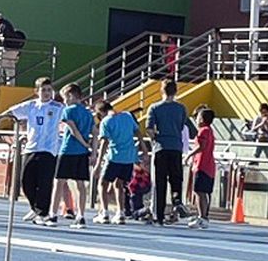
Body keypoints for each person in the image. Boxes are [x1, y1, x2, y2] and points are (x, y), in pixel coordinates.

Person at [9, 77, 64, 224]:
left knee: (44, 182)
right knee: (26, 181)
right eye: (43, 90)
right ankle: (35, 208)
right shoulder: (31, 106)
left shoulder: (58, 107)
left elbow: (69, 116)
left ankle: (43, 213)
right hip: (32, 147)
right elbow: (12, 112)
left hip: (49, 149)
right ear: (36, 91)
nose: (46, 93)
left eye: (49, 90)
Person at [145, 80, 192, 226]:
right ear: (175, 91)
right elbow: (182, 126)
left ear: (162, 90)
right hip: (176, 146)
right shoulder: (181, 108)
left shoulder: (154, 108)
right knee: (176, 178)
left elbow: (149, 129)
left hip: (161, 147)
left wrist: (155, 138)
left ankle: (159, 216)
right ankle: (177, 201)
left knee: (160, 182)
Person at [53, 82, 94, 228]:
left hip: (68, 149)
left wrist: (85, 144)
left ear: (70, 95)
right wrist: (93, 151)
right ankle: (81, 215)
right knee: (80, 184)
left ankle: (53, 214)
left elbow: (73, 130)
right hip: (82, 153)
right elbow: (95, 132)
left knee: (59, 182)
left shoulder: (68, 111)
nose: (64, 101)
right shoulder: (88, 113)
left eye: (65, 98)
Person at [94, 97, 140, 225]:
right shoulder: (127, 116)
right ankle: (120, 212)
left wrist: (98, 163)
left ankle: (104, 212)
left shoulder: (106, 121)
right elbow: (137, 132)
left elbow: (104, 142)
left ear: (100, 113)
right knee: (119, 184)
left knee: (102, 183)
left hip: (114, 156)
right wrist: (144, 151)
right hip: (128, 157)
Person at [186, 106, 218, 227]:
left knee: (199, 191)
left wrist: (189, 155)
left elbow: (201, 146)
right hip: (208, 165)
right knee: (203, 192)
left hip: (202, 164)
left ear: (202, 119)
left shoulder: (203, 131)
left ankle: (202, 216)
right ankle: (203, 216)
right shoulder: (210, 130)